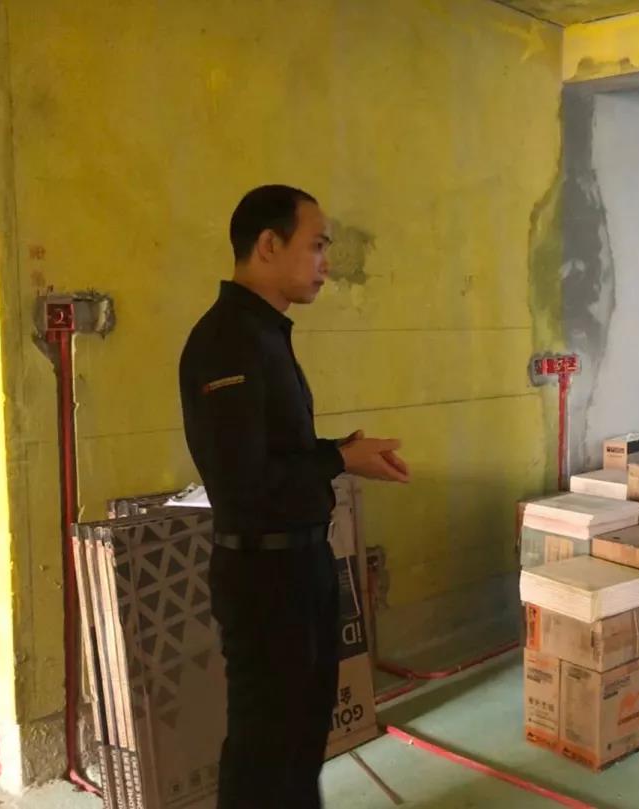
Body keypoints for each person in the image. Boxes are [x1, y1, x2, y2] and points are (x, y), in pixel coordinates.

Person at [179, 185, 409, 809]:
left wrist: (345, 451)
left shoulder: (264, 334)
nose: (325, 263)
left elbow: (280, 450)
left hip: (301, 564)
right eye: (316, 246)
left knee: (303, 740)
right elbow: (243, 480)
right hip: (264, 575)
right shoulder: (226, 341)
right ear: (268, 245)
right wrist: (338, 460)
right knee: (265, 751)